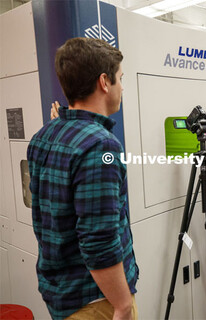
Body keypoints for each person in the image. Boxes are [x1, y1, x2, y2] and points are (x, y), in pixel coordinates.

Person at [27, 38, 139, 320]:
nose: (122, 87)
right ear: (104, 82)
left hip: (62, 294)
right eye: (120, 79)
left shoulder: (44, 136)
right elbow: (98, 240)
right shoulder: (101, 145)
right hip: (98, 301)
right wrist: (123, 305)